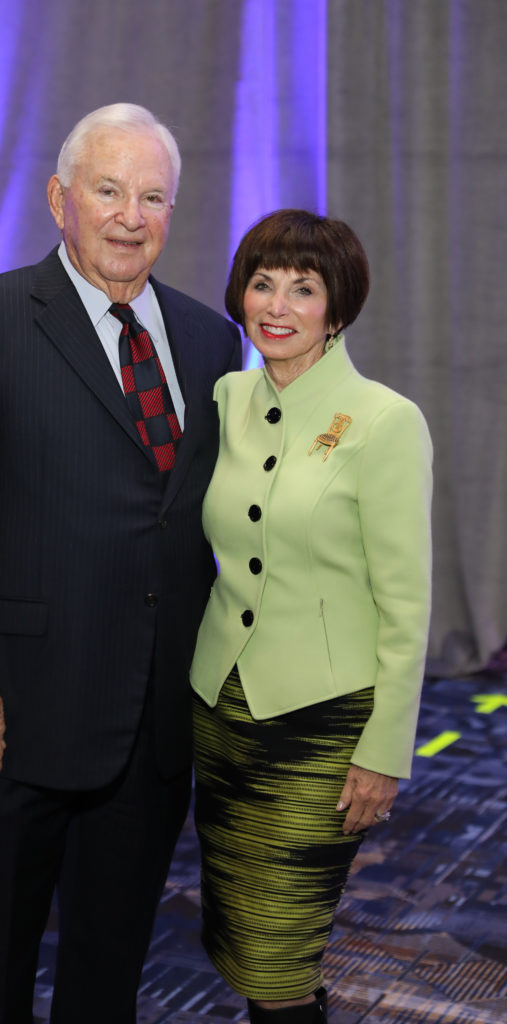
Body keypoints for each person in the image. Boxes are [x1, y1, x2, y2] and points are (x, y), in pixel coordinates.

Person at [0, 103, 241, 1024]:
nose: (131, 215)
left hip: (154, 716)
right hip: (17, 708)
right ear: (60, 200)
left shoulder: (211, 339)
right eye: (107, 190)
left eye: (153, 195)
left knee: (111, 967)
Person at [189, 209, 432, 1023]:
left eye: (303, 287)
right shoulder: (224, 398)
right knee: (238, 932)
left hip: (323, 722)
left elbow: (405, 602)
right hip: (221, 709)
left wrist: (385, 748)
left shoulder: (384, 421)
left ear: (338, 305)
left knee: (276, 945)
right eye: (262, 282)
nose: (277, 304)